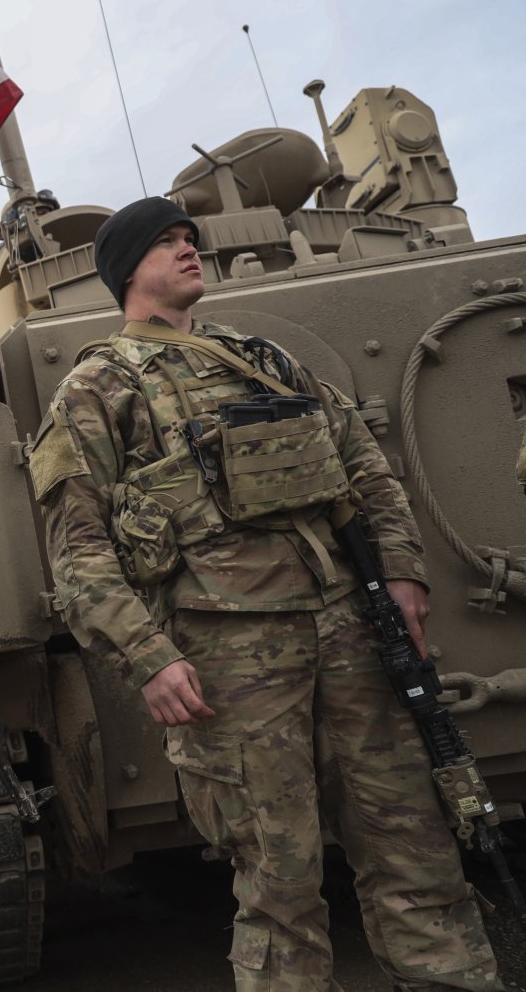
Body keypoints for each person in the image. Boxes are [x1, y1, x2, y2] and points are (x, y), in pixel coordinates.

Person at [31, 196, 501, 991]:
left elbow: (364, 466)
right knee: (279, 883)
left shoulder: (266, 359)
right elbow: (78, 554)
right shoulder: (96, 389)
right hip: (228, 659)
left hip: (353, 633)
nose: (190, 251)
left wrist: (404, 573)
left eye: (191, 238)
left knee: (417, 849)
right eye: (167, 242)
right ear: (125, 270)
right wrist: (148, 658)